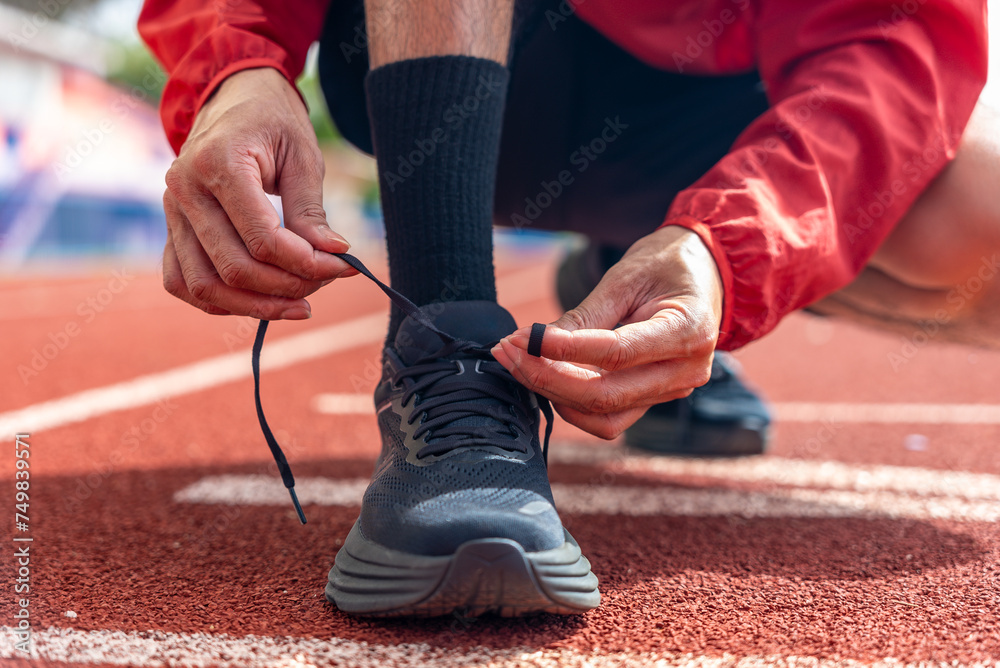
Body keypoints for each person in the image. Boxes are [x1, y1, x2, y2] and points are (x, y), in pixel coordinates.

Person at [138, 0, 995, 617]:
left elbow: (897, 36)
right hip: (464, 65)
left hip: (728, 105)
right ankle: (446, 342)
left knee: (983, 221)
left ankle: (640, 273)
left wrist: (728, 253)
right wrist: (236, 70)